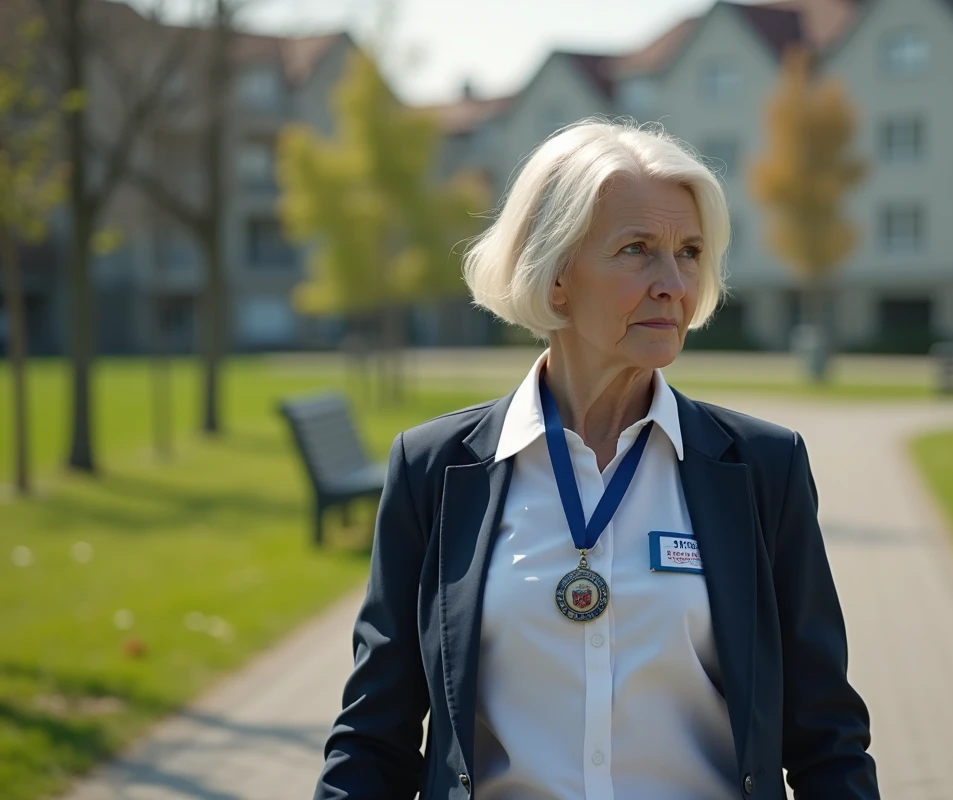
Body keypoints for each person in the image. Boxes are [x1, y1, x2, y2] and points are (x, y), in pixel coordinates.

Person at [313, 118, 878, 800]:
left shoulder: (764, 469)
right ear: (554, 277)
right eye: (638, 249)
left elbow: (827, 742)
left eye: (691, 252)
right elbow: (375, 738)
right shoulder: (434, 471)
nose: (674, 282)